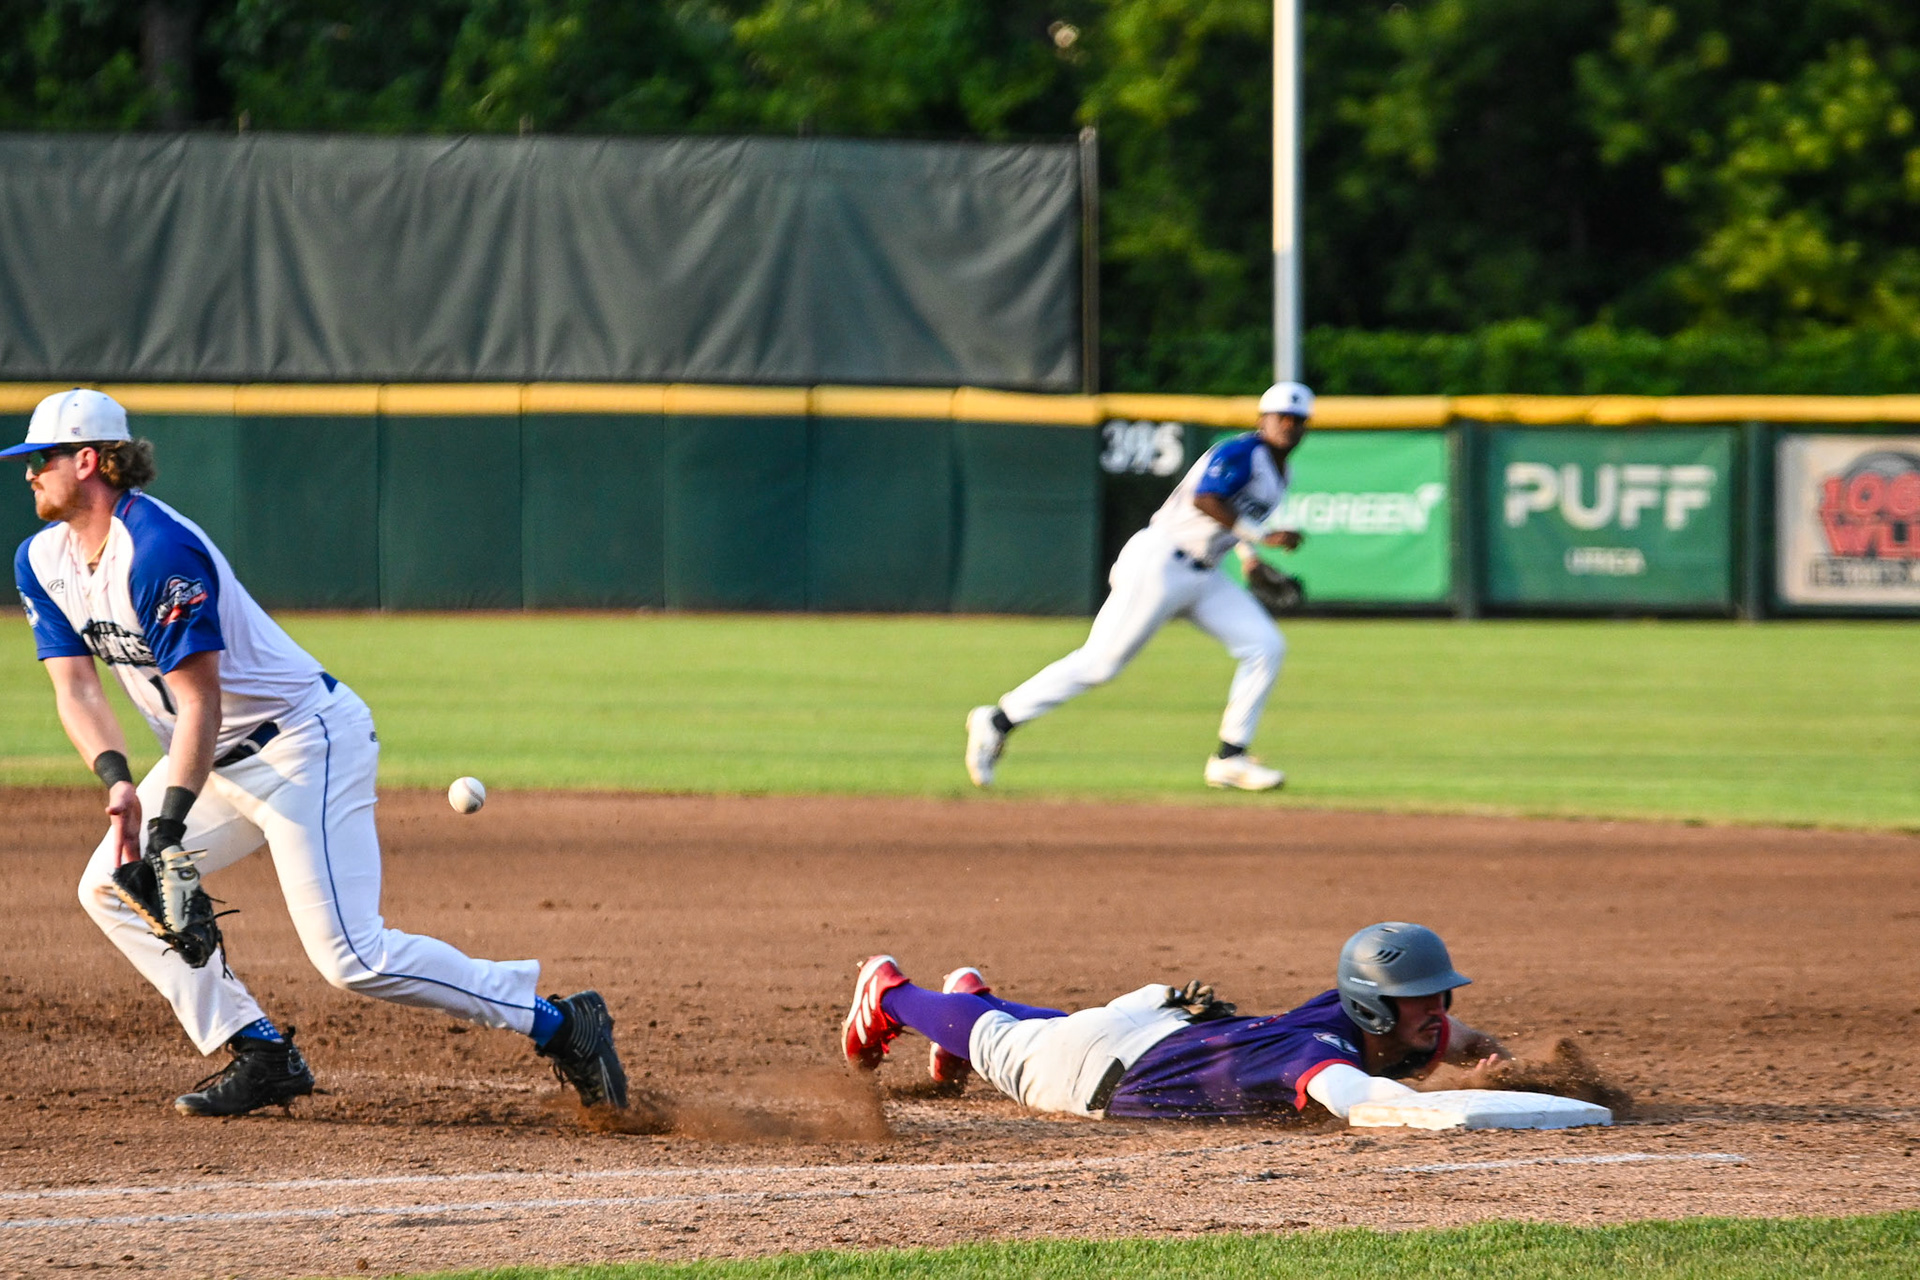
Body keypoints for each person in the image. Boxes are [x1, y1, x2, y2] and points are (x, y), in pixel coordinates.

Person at [9, 389, 629, 1118]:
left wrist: (167, 828)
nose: (29, 473)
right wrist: (118, 782)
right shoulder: (42, 559)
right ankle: (261, 1050)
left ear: (88, 460)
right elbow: (77, 687)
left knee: (353, 958)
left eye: (41, 458)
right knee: (111, 887)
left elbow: (201, 701)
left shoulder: (156, 553)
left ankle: (560, 1024)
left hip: (302, 745)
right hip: (209, 758)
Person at [964, 382, 1314, 793]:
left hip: (1203, 575)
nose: (1287, 425)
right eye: (1280, 417)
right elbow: (1207, 499)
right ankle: (998, 719)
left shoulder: (1281, 473)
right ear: (1262, 419)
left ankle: (1230, 758)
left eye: (1296, 420)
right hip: (1161, 562)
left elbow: (1233, 518)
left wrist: (1250, 560)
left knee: (1265, 646)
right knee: (1100, 663)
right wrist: (1261, 537)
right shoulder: (1242, 452)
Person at [840, 922, 1510, 1122]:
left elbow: (1466, 1041)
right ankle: (891, 994)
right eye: (1421, 998)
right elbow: (1365, 1101)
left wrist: (1495, 1062)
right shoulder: (1319, 1052)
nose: (1437, 1011)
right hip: (1094, 1075)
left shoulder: (1358, 1014)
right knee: (1014, 1045)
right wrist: (1464, 1102)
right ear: (1375, 1006)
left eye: (1439, 997)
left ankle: (972, 1006)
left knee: (1041, 1032)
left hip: (1160, 1025)